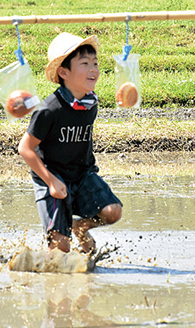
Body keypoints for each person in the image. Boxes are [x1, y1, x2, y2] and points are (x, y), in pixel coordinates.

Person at [18, 32, 122, 254]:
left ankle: (80, 228)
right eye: (84, 63)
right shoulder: (48, 110)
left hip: (82, 174)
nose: (93, 68)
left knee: (113, 211)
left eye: (95, 63)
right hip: (52, 176)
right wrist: (51, 181)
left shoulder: (90, 103)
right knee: (60, 251)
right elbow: (25, 149)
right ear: (63, 72)